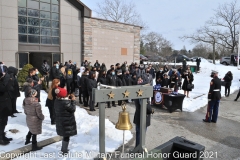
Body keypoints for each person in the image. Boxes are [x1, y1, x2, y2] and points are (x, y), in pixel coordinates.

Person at [54, 87, 77, 154]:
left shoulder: (57, 101)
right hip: (67, 122)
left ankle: (64, 148)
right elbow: (73, 109)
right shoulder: (66, 103)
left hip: (61, 121)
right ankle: (64, 150)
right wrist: (73, 101)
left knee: (65, 135)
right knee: (66, 136)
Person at [133, 77, 154, 148]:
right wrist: (151, 110)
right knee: (141, 134)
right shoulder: (143, 94)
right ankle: (140, 148)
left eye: (141, 80)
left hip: (138, 116)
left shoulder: (136, 92)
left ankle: (137, 147)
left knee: (138, 133)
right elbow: (146, 107)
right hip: (143, 117)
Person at [0, 72, 13, 145]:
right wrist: (10, 80)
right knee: (1, 123)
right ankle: (0, 138)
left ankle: (2, 136)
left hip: (4, 106)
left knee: (4, 122)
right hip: (1, 106)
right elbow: (5, 88)